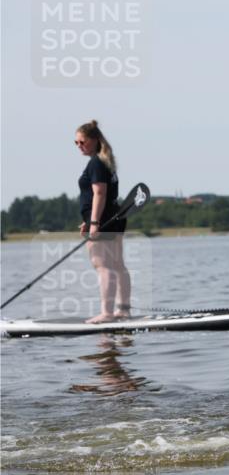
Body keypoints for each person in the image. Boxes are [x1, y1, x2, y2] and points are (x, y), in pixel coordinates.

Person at [75, 120, 131, 323]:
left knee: (103, 266)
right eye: (76, 143)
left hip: (104, 222)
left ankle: (107, 313)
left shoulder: (96, 163)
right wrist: (88, 221)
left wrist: (94, 223)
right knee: (118, 265)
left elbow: (100, 193)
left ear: (95, 140)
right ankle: (123, 311)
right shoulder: (106, 161)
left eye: (82, 142)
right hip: (114, 218)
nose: (79, 146)